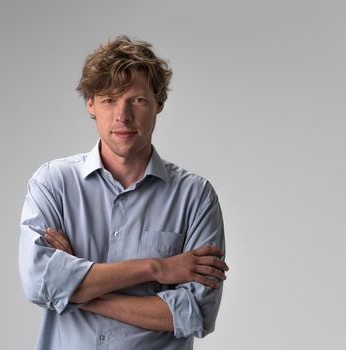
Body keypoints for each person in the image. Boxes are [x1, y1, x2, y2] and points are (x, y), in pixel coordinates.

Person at [18, 35, 228, 350]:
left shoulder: (195, 197)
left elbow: (194, 313)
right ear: (90, 104)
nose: (122, 115)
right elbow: (40, 284)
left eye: (137, 100)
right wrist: (158, 267)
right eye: (109, 100)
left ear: (159, 103)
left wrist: (79, 291)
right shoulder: (53, 184)